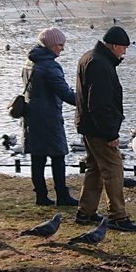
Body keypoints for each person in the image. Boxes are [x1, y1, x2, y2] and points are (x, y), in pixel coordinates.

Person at [74, 26, 136, 232]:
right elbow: (99, 104)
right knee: (114, 169)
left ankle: (85, 212)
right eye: (123, 48)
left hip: (88, 126)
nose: (124, 53)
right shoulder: (100, 64)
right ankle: (118, 216)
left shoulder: (91, 58)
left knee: (95, 168)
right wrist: (110, 133)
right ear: (113, 46)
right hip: (98, 129)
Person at [22, 27, 78, 206]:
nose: (62, 48)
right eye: (60, 45)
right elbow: (65, 93)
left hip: (31, 115)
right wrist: (86, 101)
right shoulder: (50, 66)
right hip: (48, 117)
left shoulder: (29, 62)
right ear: (51, 45)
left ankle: (41, 196)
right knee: (58, 155)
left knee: (37, 157)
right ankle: (62, 195)